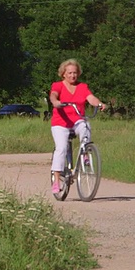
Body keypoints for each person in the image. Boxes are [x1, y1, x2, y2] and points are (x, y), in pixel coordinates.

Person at [49, 59, 106, 194]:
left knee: (85, 125)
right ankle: (56, 180)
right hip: (60, 122)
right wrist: (56, 102)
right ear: (63, 74)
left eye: (75, 73)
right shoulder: (58, 85)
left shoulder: (82, 87)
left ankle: (85, 152)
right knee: (61, 148)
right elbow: (53, 95)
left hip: (76, 120)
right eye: (69, 73)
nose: (72, 76)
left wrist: (98, 103)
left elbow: (90, 98)